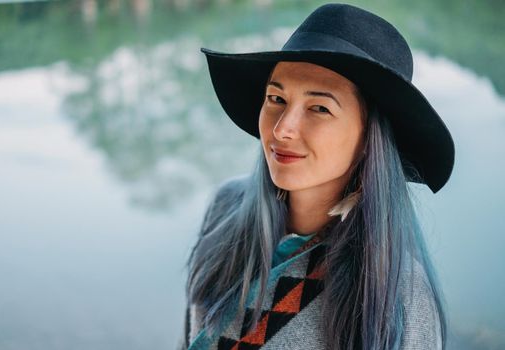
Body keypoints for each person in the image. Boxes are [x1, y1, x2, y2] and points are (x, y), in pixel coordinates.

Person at [181, 3, 454, 350]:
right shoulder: (226, 207)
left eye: (319, 108)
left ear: (370, 139)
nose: (283, 129)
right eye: (276, 98)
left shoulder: (397, 294)